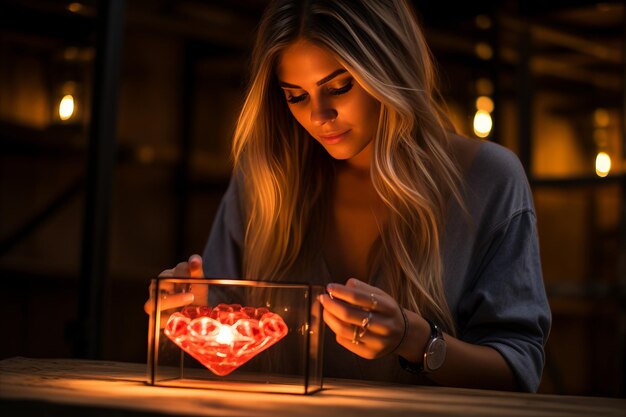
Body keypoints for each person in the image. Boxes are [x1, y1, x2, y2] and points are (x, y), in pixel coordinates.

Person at [147, 0, 551, 392]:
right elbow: (220, 339)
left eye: (339, 87)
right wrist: (185, 313)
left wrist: (415, 340)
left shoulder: (488, 180)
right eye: (296, 96)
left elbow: (518, 371)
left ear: (389, 68)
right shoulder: (265, 177)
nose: (319, 116)